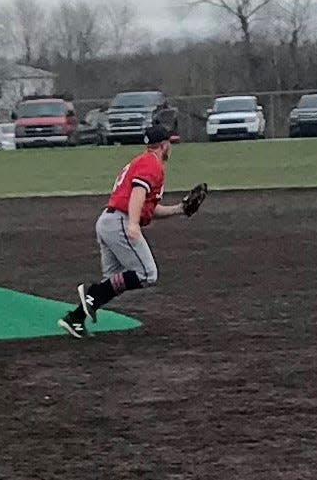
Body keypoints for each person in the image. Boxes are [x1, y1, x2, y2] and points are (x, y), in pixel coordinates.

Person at [58, 123, 206, 339]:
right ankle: (92, 293)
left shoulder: (142, 162)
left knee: (114, 281)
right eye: (169, 144)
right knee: (147, 274)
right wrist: (133, 224)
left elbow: (149, 208)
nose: (170, 148)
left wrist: (180, 209)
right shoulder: (151, 164)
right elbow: (137, 194)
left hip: (109, 221)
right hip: (120, 221)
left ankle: (75, 318)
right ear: (163, 145)